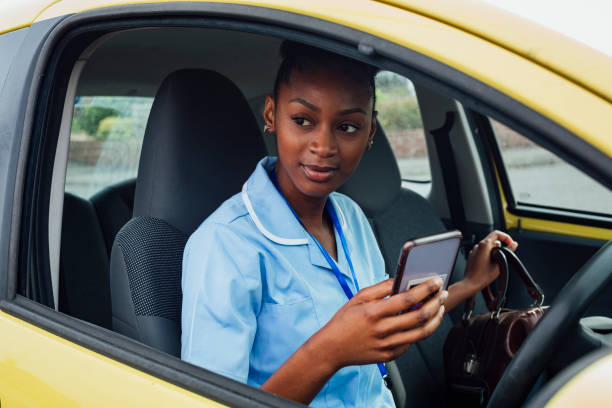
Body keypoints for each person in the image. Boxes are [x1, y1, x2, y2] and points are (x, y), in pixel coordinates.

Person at [181, 41, 518, 407]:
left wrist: (469, 283)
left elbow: (386, 321)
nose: (323, 145)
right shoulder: (224, 244)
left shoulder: (350, 217)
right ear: (271, 115)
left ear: (371, 131)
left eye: (347, 127)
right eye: (303, 120)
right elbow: (210, 402)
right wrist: (328, 351)